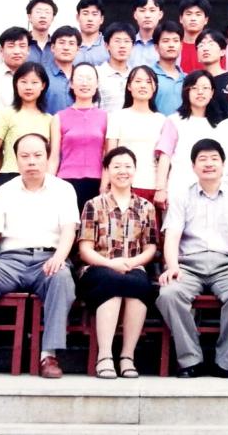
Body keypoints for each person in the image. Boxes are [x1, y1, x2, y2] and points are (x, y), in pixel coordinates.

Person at [0, 133, 77, 379]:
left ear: (47, 158)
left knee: (62, 278)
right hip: (9, 261)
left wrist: (59, 257)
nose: (31, 161)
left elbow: (69, 231)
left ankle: (49, 355)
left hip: (48, 259)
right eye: (25, 156)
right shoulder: (4, 192)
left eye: (37, 155)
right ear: (16, 159)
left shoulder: (64, 189)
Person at [157, 139, 228, 378]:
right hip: (189, 266)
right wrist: (172, 266)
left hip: (227, 265)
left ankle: (224, 361)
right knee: (169, 294)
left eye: (214, 159)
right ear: (193, 166)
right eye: (202, 159)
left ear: (223, 164)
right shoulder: (182, 195)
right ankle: (191, 359)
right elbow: (172, 236)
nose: (209, 164)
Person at [76, 147, 159, 378]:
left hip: (133, 265)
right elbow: (85, 250)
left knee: (140, 285)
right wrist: (111, 264)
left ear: (135, 170)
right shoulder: (93, 205)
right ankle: (104, 356)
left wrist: (131, 262)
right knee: (111, 281)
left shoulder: (146, 207)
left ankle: (127, 357)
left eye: (128, 166)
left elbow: (150, 247)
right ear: (107, 170)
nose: (123, 171)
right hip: (98, 267)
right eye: (116, 166)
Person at [155, 71, 221, 208]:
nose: (200, 92)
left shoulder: (219, 125)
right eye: (194, 88)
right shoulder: (174, 120)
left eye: (205, 88)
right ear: (186, 91)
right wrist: (161, 188)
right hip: (179, 187)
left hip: (212, 190)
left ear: (212, 92)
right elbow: (165, 156)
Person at [49, 62, 109, 210]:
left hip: (97, 183)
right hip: (66, 182)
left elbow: (108, 156)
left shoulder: (106, 117)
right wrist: (48, 185)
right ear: (71, 84)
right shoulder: (59, 117)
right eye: (80, 78)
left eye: (89, 78)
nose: (84, 83)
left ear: (97, 84)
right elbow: (54, 157)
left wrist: (104, 186)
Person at [105, 65, 167, 206]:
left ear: (155, 88)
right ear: (129, 86)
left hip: (151, 186)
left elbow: (163, 160)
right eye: (138, 81)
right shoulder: (117, 117)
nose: (143, 85)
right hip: (122, 185)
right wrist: (105, 185)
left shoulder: (162, 120)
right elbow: (110, 156)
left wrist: (162, 188)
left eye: (148, 82)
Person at [0, 62, 52, 186]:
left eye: (34, 82)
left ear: (43, 85)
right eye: (23, 82)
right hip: (10, 176)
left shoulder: (49, 119)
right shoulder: (6, 114)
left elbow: (51, 156)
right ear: (16, 84)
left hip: (39, 179)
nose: (28, 87)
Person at [0, 27, 32, 111]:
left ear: (28, 50)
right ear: (1, 50)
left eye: (22, 46)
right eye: (11, 46)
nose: (17, 51)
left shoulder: (34, 76)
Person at [95, 23, 135, 113]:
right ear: (107, 45)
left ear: (133, 46)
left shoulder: (135, 75)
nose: (122, 45)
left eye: (127, 41)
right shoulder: (96, 74)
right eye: (117, 41)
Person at [195, 28, 228, 120]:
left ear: (222, 52)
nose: (205, 49)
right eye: (201, 45)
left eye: (211, 44)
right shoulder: (194, 82)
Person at [151, 20, 185, 116]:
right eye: (166, 41)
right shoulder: (148, 76)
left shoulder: (187, 79)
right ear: (156, 47)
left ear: (181, 46)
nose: (171, 45)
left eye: (175, 41)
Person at [44, 26, 78, 115]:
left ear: (78, 49)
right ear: (52, 47)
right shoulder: (42, 75)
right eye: (61, 42)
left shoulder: (81, 75)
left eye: (71, 43)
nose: (66, 48)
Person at [178, 0, 212, 73]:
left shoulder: (214, 49)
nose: (193, 19)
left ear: (206, 20)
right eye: (189, 14)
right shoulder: (173, 47)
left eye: (198, 14)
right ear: (181, 19)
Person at [129, 0, 164, 68]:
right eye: (142, 10)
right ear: (135, 15)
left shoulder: (166, 45)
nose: (147, 15)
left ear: (160, 14)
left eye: (152, 10)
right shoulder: (127, 44)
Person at [74, 0, 108, 66]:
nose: (90, 19)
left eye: (94, 14)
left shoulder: (108, 46)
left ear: (101, 19)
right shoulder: (70, 45)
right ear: (77, 17)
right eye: (85, 14)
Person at [26, 0, 58, 69]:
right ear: (29, 17)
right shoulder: (21, 45)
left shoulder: (58, 46)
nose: (43, 16)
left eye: (47, 12)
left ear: (53, 18)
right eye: (38, 12)